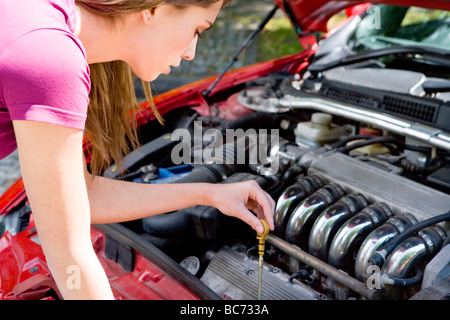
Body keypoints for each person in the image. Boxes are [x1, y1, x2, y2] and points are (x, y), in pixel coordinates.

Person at [0, 0, 275, 299]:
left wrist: (209, 194)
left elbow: (83, 195)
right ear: (154, 8)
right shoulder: (51, 59)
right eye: (198, 30)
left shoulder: (51, 20)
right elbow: (70, 258)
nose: (191, 52)